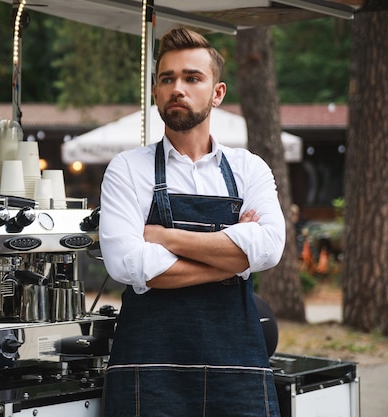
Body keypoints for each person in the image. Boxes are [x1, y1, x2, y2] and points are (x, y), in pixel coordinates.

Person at [99, 27, 285, 417]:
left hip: (237, 369)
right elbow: (128, 265)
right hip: (148, 371)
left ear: (217, 93)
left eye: (192, 78)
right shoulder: (127, 169)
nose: (176, 88)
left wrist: (164, 237)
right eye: (167, 79)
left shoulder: (249, 168)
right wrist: (234, 259)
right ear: (154, 92)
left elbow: (268, 248)